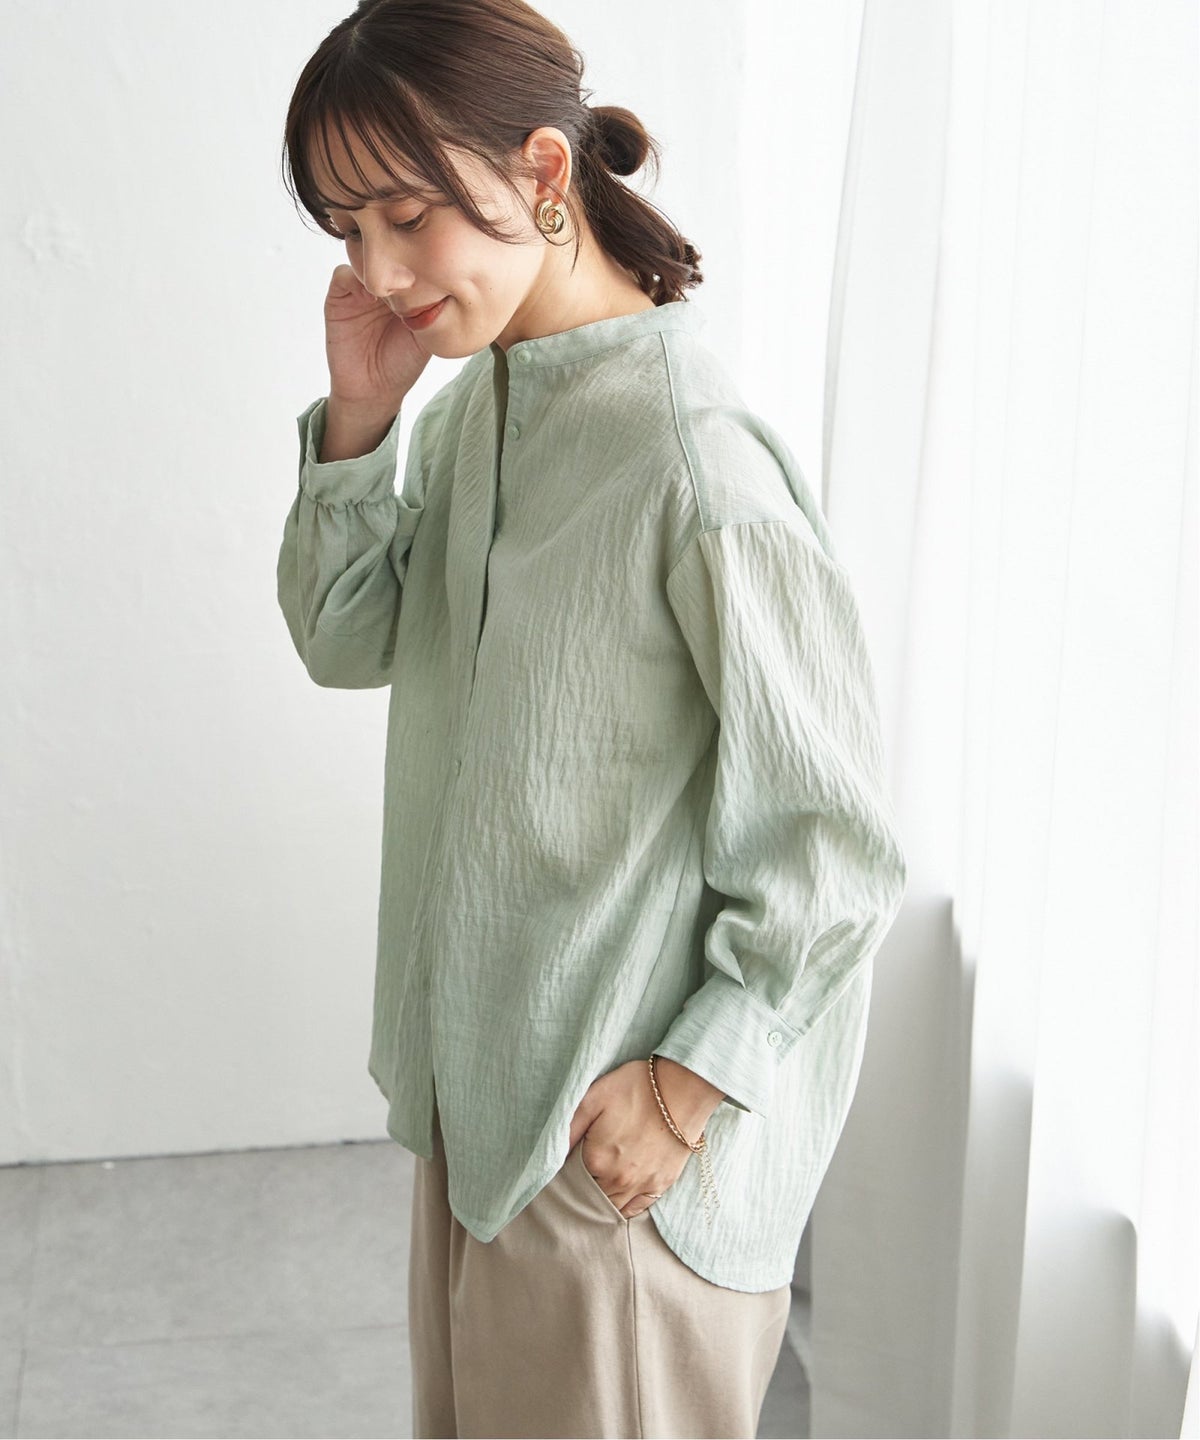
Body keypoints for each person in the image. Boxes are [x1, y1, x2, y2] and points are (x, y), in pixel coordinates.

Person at [275, 1, 908, 1436]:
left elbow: (836, 846)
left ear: (544, 171)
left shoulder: (693, 462)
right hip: (481, 1111)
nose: (377, 269)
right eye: (347, 229)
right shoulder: (476, 408)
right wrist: (361, 415)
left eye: (406, 215)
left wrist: (687, 1088)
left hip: (614, 1160)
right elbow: (346, 639)